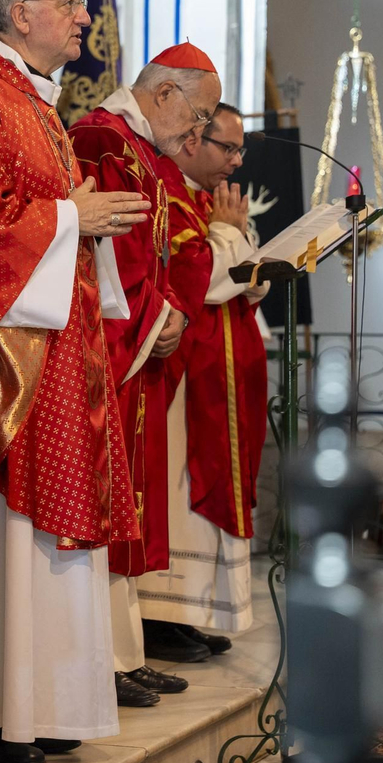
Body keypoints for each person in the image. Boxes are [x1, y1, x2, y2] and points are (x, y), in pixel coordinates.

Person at [0, 0, 151, 763]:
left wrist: (84, 221)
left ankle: (44, 704)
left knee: (44, 542)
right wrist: (71, 216)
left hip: (53, 340)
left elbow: (29, 211)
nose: (83, 16)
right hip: (4, 358)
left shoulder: (30, 98)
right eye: (68, 2)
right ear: (18, 14)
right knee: (5, 537)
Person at [68, 43, 225, 707]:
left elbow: (160, 252)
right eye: (199, 116)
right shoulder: (101, 138)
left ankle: (125, 651)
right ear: (163, 95)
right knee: (103, 504)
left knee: (126, 504)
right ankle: (101, 659)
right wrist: (157, 311)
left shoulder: (142, 148)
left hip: (136, 339)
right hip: (105, 343)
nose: (199, 133)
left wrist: (172, 312)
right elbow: (108, 250)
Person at [137, 102, 268, 660]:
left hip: (220, 377)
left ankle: (191, 613)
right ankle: (160, 614)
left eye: (242, 150)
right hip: (180, 380)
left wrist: (248, 260)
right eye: (227, 148)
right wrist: (231, 241)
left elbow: (239, 275)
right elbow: (201, 279)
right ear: (194, 140)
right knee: (179, 499)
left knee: (201, 505)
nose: (236, 163)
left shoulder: (212, 204)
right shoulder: (166, 192)